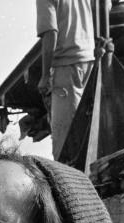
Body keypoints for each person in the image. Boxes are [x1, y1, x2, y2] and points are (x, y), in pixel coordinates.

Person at [36, 0, 103, 160]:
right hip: (88, 60)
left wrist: (45, 76)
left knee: (65, 140)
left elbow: (51, 33)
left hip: (66, 65)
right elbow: (105, 6)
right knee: (86, 131)